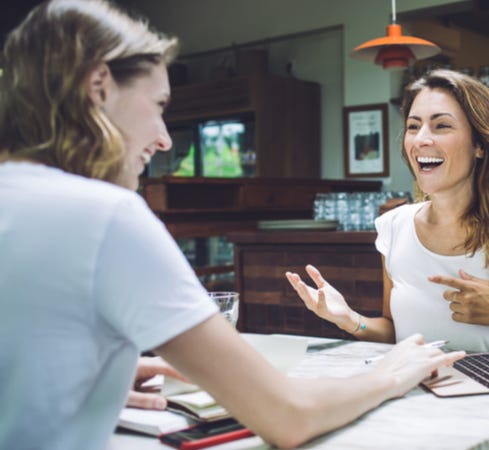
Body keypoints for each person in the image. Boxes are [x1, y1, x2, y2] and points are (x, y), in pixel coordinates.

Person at [0, 2, 463, 449]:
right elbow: (288, 415)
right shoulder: (106, 215)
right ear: (99, 86)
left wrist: (74, 379)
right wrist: (389, 374)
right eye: (159, 104)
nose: (163, 139)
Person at [286, 69, 489, 449]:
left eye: (441, 125)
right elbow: (394, 334)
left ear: (480, 144)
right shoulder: (393, 228)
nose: (422, 139)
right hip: (411, 415)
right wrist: (348, 319)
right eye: (414, 126)